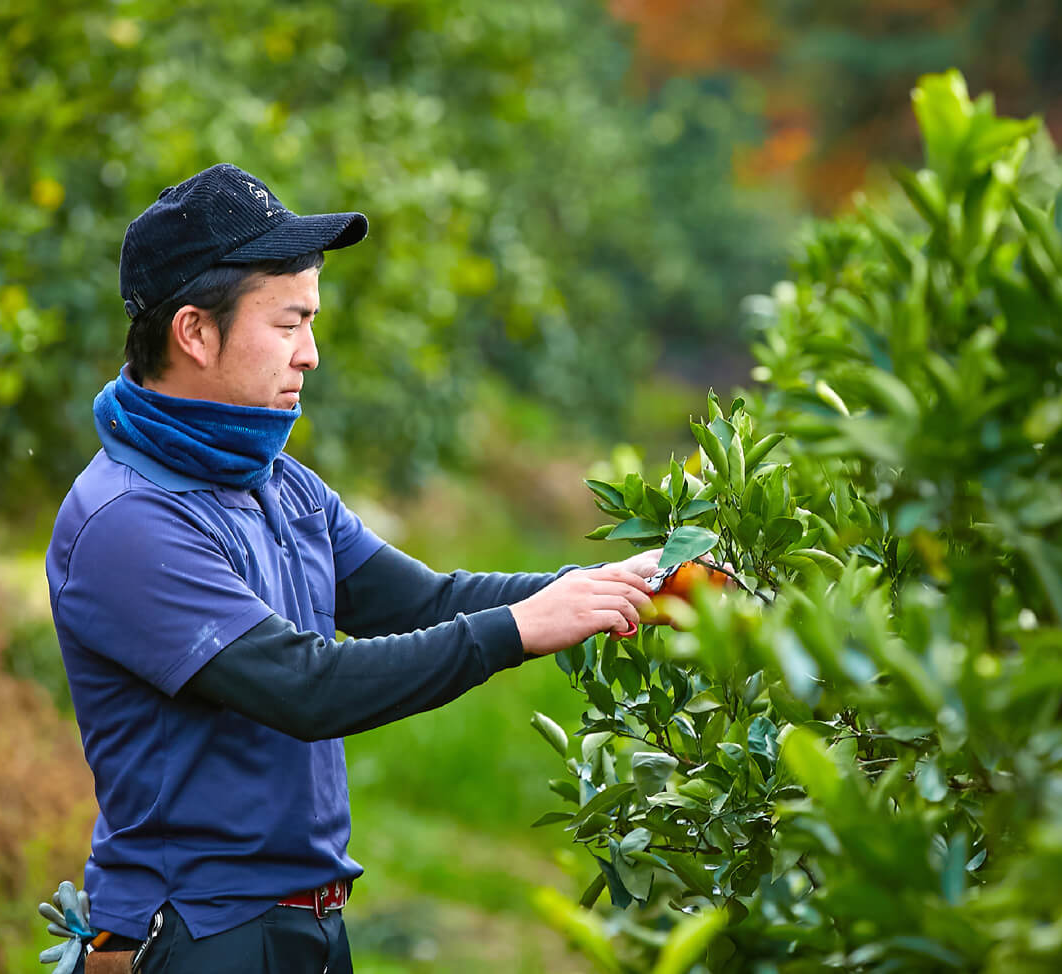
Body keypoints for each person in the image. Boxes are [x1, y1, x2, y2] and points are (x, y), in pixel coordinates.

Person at [45, 163, 658, 974]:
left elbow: (421, 602)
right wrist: (517, 630)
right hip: (198, 931)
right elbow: (306, 687)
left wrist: (626, 585)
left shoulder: (277, 480)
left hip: (310, 923)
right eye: (289, 323)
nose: (312, 355)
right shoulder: (129, 520)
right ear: (194, 332)